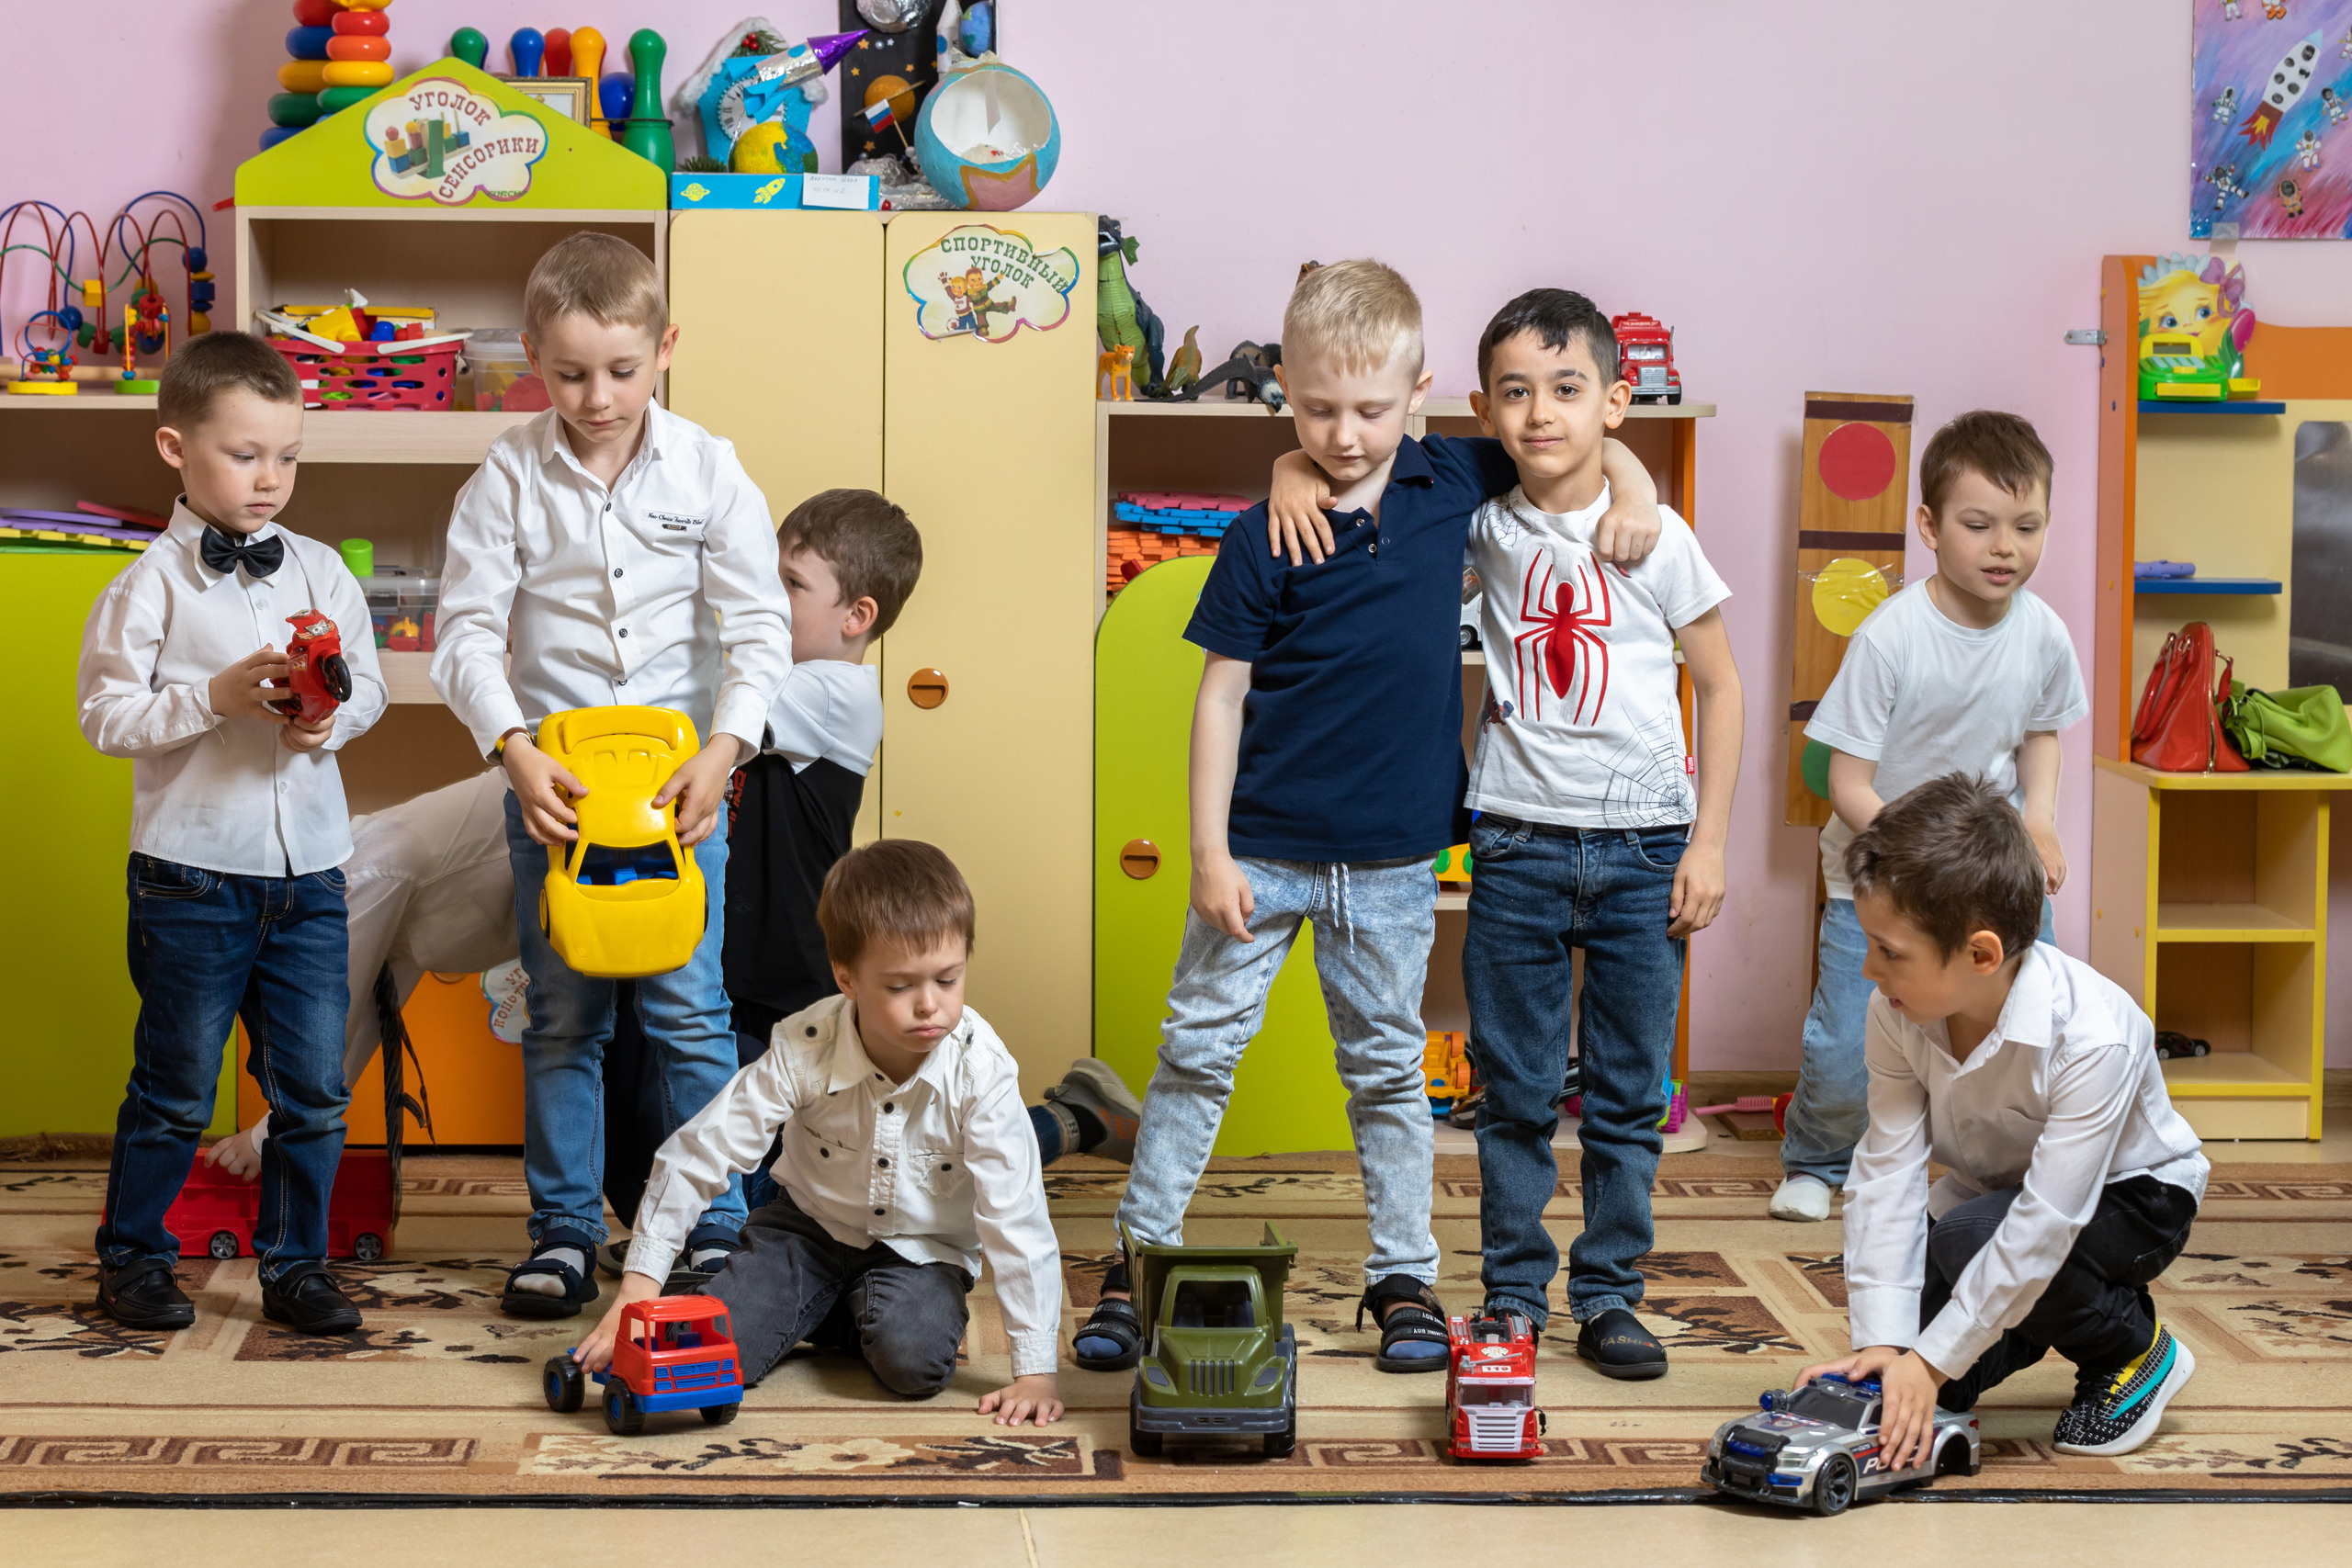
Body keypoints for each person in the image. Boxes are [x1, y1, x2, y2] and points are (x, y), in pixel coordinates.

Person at [1071, 261, 1663, 1376]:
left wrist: (1633, 497)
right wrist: (1208, 851)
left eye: (1371, 411)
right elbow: (1220, 696)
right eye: (1316, 413)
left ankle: (1403, 1278)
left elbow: (1584, 444)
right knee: (1196, 1056)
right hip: (1260, 851)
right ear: (1284, 392)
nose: (1344, 437)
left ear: (1427, 397)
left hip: (1392, 862)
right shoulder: (1263, 533)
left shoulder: (1451, 480)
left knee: (1387, 1073)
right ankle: (1134, 1259)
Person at [432, 231, 794, 1319]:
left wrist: (724, 750)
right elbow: (461, 634)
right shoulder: (506, 474)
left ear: (665, 348)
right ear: (533, 358)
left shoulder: (709, 467)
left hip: (683, 790)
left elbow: (759, 628)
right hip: (560, 795)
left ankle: (711, 1226)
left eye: (622, 372)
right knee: (563, 1018)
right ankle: (561, 1231)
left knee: (690, 1016)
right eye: (570, 373)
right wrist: (514, 752)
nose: (597, 397)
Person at [1453, 289, 1741, 1379]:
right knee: (1516, 1092)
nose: (1541, 414)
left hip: (1642, 851)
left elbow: (1720, 688)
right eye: (1516, 392)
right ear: (1484, 408)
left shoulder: (1657, 535)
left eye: (1568, 390)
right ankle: (1514, 1294)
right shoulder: (1481, 523)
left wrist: (1705, 844)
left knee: (1627, 1096)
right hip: (1519, 845)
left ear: (1616, 400)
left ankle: (1611, 1293)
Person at [76, 331, 387, 1336]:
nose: (269, 479)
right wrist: (207, 698)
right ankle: (132, 1259)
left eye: (287, 456)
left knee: (314, 1092)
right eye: (244, 454)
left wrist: (329, 718)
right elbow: (105, 718)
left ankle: (295, 1265)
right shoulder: (146, 587)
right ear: (176, 448)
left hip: (312, 878)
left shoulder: (323, 570)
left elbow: (367, 687)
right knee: (173, 1088)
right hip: (191, 880)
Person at [567, 840, 1065, 1427]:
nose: (930, 1006)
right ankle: (807, 1300)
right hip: (806, 1229)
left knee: (915, 1364)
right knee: (715, 1360)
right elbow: (703, 1150)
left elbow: (1017, 1217)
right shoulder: (804, 1046)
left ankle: (837, 1310)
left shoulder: (982, 1071)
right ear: (846, 977)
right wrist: (637, 1289)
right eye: (901, 987)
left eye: (949, 980)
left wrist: (1035, 1370)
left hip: (922, 1249)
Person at [1800, 774, 2205, 1462]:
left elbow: (2046, 1219)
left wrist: (1929, 1362)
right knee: (1924, 1323)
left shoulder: (2092, 1034)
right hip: (1997, 1192)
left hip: (2136, 1196)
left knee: (1968, 1243)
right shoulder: (1895, 1015)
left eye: (1890, 951)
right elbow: (1887, 1170)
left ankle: (2134, 1349)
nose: (1869, 968)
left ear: (1982, 953)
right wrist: (1888, 1346)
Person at [1773, 411, 2087, 1224]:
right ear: (1929, 526)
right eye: (1978, 525)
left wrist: (2041, 820)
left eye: (2026, 526)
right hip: (1877, 878)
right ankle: (1816, 1156)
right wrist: (1913, 856)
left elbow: (2041, 734)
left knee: (2038, 1018)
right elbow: (1847, 780)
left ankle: (2036, 1163)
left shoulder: (2044, 633)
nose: (2003, 547)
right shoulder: (1891, 638)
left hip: (1988, 872)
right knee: (1848, 1045)